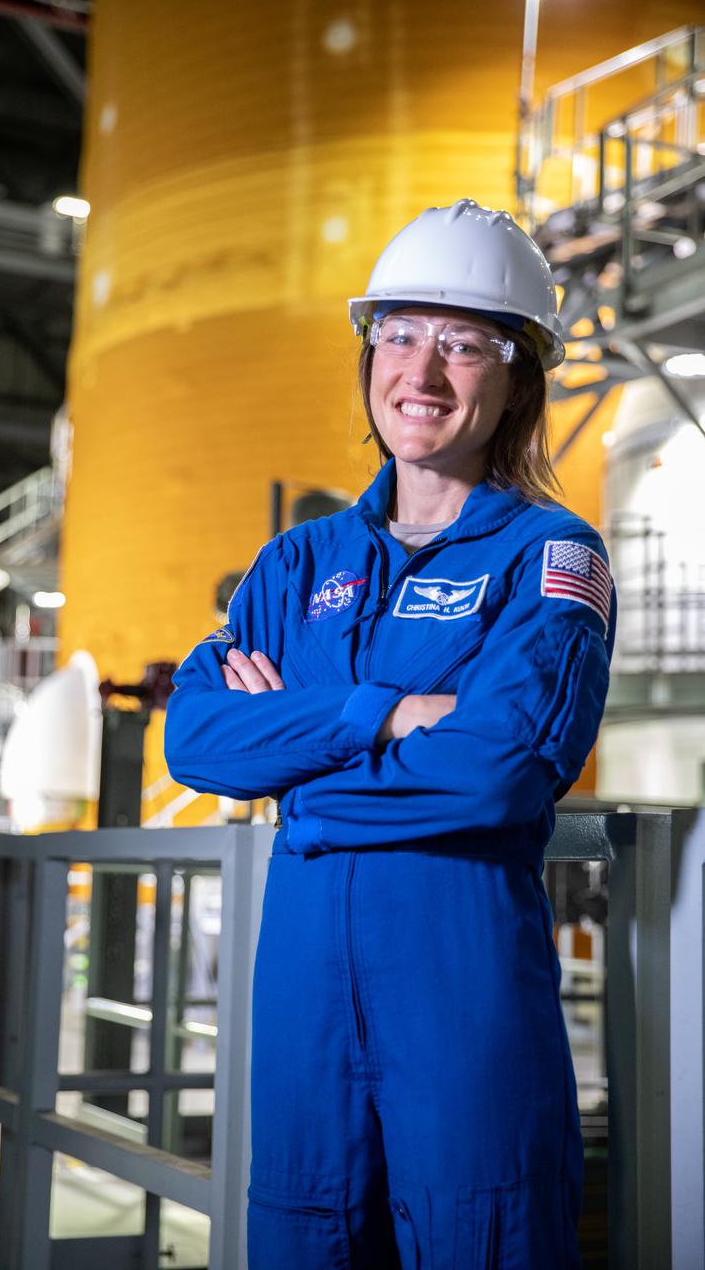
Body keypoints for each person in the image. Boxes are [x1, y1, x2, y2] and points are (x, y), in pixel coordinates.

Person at [164, 198, 615, 1269]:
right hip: (301, 996)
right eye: (400, 334)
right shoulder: (298, 560)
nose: (423, 369)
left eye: (466, 343)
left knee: (482, 1233)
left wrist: (300, 771)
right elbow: (196, 736)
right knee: (301, 1236)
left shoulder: (550, 556)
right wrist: (380, 713)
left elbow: (495, 773)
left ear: (517, 378)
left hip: (461, 991)